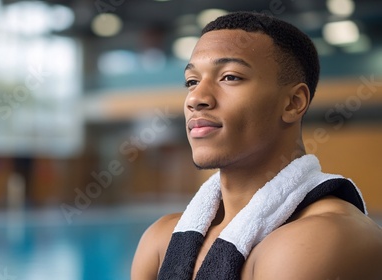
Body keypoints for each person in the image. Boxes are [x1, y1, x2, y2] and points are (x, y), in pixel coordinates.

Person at [131, 11, 382, 280]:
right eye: (192, 81)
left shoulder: (323, 238)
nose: (196, 98)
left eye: (230, 77)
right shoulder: (161, 240)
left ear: (294, 103)